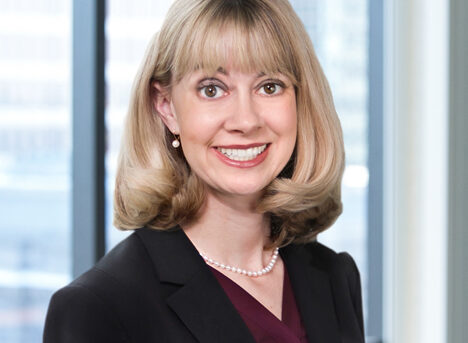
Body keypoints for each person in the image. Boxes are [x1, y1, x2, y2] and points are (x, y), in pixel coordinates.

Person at [44, 0, 364, 342]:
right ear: (166, 107)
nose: (246, 120)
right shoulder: (101, 308)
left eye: (269, 86)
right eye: (212, 89)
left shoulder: (333, 277)